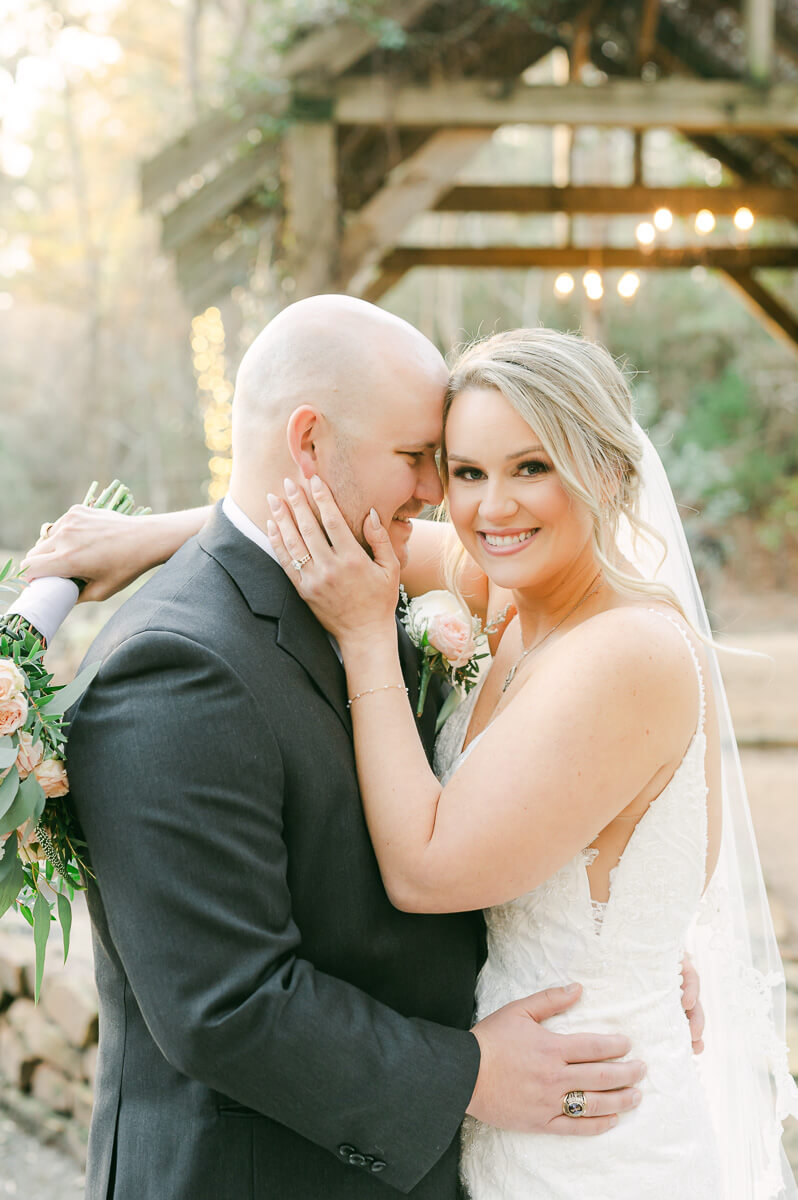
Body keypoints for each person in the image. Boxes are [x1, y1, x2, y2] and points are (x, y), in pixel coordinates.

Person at [31, 300, 661, 1200]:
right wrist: (469, 1074)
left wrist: (622, 942)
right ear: (310, 442)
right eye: (421, 459)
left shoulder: (359, 582)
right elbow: (227, 1006)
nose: (444, 496)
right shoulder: (176, 668)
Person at [244, 326, 797, 1198]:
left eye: (532, 468)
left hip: (601, 1140)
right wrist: (137, 541)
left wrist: (364, 638)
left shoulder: (627, 654)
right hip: (515, 1118)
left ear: (609, 473)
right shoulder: (511, 595)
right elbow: (319, 535)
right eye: (467, 472)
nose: (492, 508)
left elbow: (425, 871)